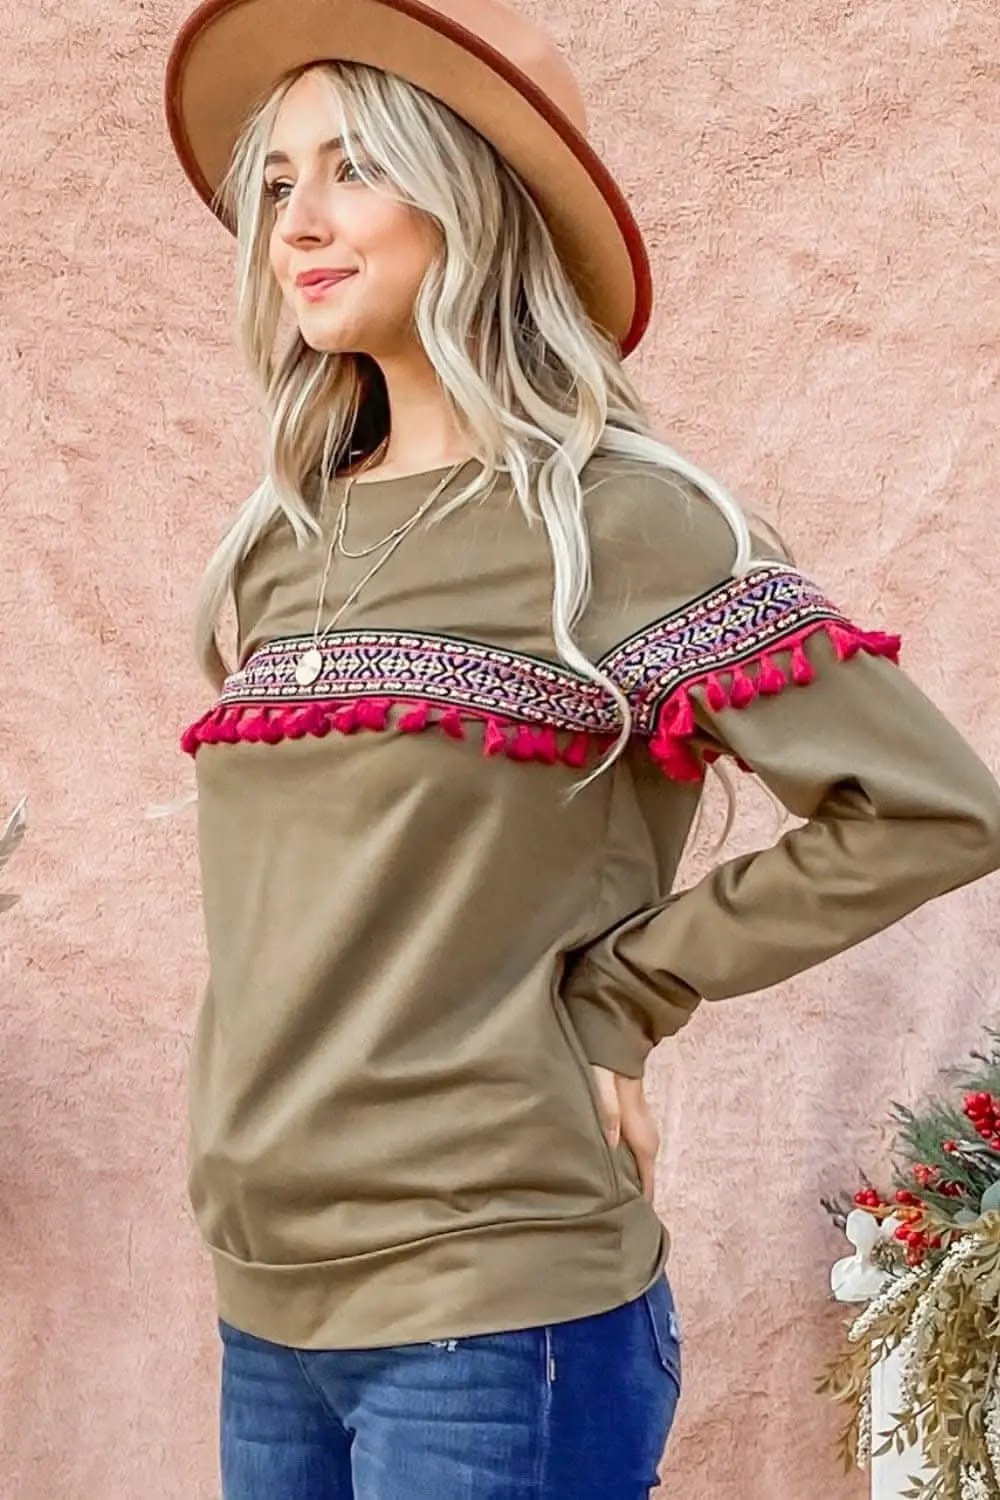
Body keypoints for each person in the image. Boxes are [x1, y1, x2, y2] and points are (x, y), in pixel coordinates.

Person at [163, 2, 1000, 1496]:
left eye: (357, 167)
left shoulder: (622, 521)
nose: (298, 222)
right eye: (278, 181)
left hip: (494, 1308)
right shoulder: (281, 544)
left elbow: (928, 807)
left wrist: (626, 989)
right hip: (263, 1301)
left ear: (474, 196)